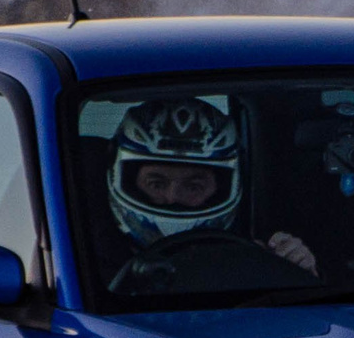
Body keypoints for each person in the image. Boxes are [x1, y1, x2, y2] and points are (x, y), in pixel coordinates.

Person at [107, 96, 315, 273]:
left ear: (222, 189)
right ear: (126, 180)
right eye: (156, 184)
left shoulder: (252, 257)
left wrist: (295, 273)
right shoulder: (89, 264)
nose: (173, 197)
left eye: (193, 187)